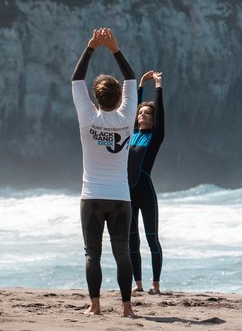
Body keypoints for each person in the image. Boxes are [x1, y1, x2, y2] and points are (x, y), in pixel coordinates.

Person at [71, 27, 138, 317]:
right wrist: (114, 48)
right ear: (118, 98)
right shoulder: (126, 117)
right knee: (122, 252)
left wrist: (91, 47)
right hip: (120, 197)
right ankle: (126, 308)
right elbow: (132, 79)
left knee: (92, 254)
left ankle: (95, 306)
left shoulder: (88, 117)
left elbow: (76, 80)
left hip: (92, 197)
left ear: (97, 98)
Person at [128, 70, 165, 295]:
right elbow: (133, 108)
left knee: (152, 239)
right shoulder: (131, 134)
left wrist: (158, 86)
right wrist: (140, 85)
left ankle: (156, 284)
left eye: (146, 113)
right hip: (128, 193)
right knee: (132, 240)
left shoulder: (155, 136)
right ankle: (139, 284)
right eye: (140, 112)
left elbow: (160, 114)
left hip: (146, 193)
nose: (142, 114)